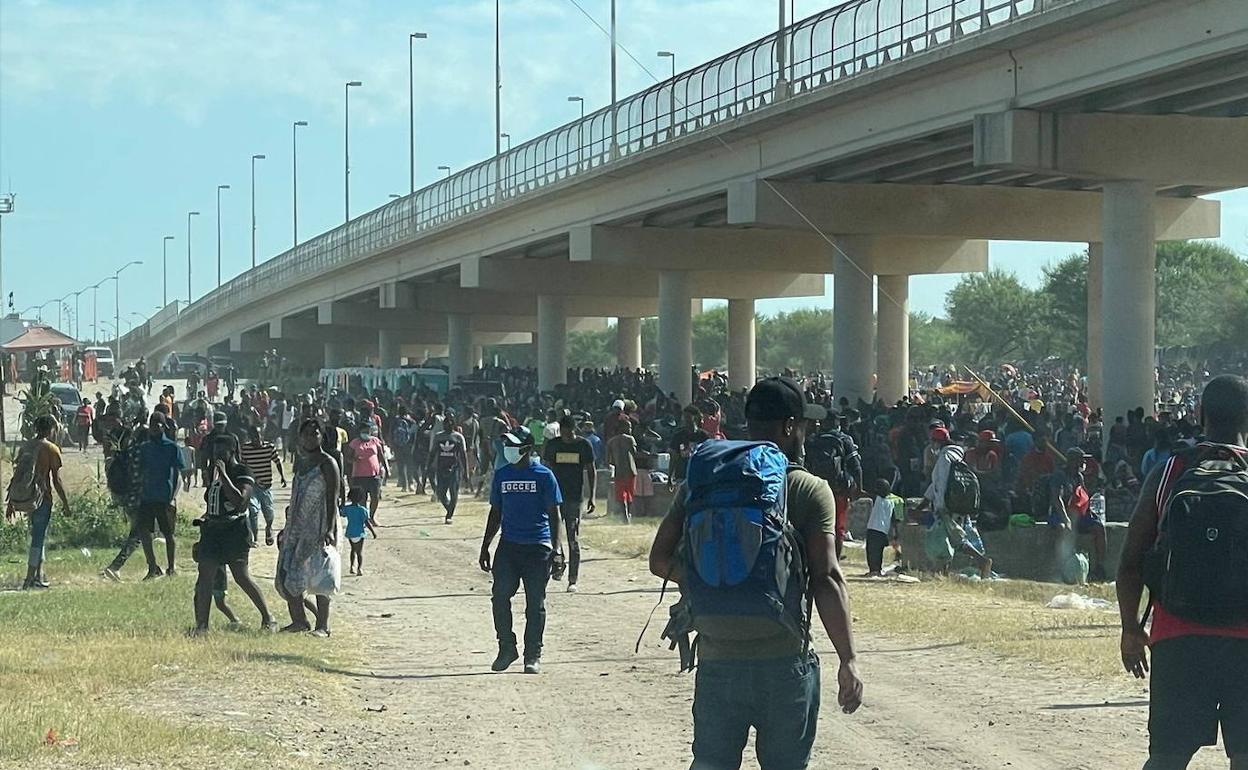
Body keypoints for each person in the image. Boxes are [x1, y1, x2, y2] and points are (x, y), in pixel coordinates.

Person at [648, 377, 862, 769]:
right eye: (802, 424)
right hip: (783, 661)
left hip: (717, 658)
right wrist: (847, 659)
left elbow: (659, 560)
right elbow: (826, 577)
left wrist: (713, 580)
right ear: (788, 427)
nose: (806, 432)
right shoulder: (809, 489)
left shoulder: (705, 482)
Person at [1118, 375, 1248, 769]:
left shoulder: (1169, 472)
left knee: (1167, 759)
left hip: (1178, 636)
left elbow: (1130, 563)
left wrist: (1130, 629)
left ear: (1199, 414)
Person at [479, 426, 565, 675]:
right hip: (509, 546)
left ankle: (533, 654)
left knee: (534, 604)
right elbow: (496, 513)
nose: (508, 450)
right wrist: (485, 546)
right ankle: (507, 647)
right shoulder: (502, 475)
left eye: (514, 446)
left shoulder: (544, 476)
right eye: (507, 445)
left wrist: (557, 549)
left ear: (527, 449)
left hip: (538, 547)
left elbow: (554, 514)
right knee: (500, 596)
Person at [191, 442, 275, 634]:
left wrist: (224, 475)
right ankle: (202, 626)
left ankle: (268, 617)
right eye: (215, 452)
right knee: (205, 578)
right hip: (212, 531)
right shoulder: (214, 473)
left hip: (234, 532)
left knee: (241, 576)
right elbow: (214, 501)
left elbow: (239, 501)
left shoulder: (242, 471)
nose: (218, 455)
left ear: (233, 451)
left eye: (222, 451)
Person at [276, 418, 341, 636]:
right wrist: (288, 525)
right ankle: (299, 621)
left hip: (321, 525)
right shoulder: (301, 462)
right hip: (297, 526)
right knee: (289, 574)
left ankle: (323, 625)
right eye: (306, 434)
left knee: (321, 575)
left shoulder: (328, 463)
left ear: (322, 436)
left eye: (315, 433)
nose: (310, 437)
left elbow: (333, 498)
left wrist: (329, 529)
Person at [5, 415, 72, 589]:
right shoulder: (51, 449)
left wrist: (11, 501)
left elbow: (17, 475)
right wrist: (65, 503)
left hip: (28, 499)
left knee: (38, 536)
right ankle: (29, 578)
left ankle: (37, 576)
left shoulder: (27, 446)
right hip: (43, 498)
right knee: (38, 538)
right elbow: (56, 480)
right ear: (50, 429)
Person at [921, 427, 993, 578]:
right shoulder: (957, 456)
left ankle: (981, 561)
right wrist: (924, 503)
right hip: (956, 504)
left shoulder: (945, 457)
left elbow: (942, 483)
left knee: (952, 539)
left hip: (946, 506)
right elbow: (935, 484)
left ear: (937, 442)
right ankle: (944, 571)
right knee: (951, 538)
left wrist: (940, 506)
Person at [541, 412, 597, 592]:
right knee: (553, 536)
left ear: (574, 430)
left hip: (574, 498)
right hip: (554, 498)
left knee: (573, 537)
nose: (565, 437)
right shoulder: (553, 445)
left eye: (568, 433)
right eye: (563, 433)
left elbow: (591, 470)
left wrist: (592, 496)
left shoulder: (583, 445)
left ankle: (573, 579)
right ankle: (559, 563)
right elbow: (546, 468)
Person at [135, 411, 185, 579]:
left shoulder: (172, 447)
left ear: (163, 427)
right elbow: (140, 471)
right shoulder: (145, 448)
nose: (155, 428)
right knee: (143, 531)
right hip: (147, 496)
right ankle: (152, 567)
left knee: (169, 534)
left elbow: (178, 473)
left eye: (158, 425)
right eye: (153, 425)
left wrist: (173, 496)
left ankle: (171, 568)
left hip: (165, 496)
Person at [240, 426, 286, 547]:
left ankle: (269, 528)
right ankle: (254, 537)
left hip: (266, 486)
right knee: (253, 510)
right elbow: (242, 466)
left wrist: (282, 477)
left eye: (258, 436)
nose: (256, 439)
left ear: (261, 435)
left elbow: (277, 462)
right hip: (252, 486)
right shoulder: (246, 449)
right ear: (250, 438)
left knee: (269, 512)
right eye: (254, 437)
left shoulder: (269, 448)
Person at [345, 421, 388, 525]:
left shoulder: (375, 441)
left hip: (374, 474)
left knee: (375, 496)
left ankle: (372, 517)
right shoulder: (354, 443)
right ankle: (364, 518)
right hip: (359, 475)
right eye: (364, 431)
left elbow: (381, 456)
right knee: (362, 498)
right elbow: (348, 458)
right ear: (360, 431)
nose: (366, 433)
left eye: (368, 431)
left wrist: (387, 469)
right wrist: (354, 459)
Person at [432, 415, 468, 524]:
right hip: (441, 468)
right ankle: (449, 508)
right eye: (446, 423)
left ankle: (449, 515)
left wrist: (466, 472)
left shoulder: (458, 437)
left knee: (454, 492)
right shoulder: (438, 437)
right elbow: (433, 452)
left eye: (450, 422)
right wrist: (428, 466)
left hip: (454, 468)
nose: (448, 425)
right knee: (440, 493)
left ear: (454, 424)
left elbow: (463, 455)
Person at [865, 478, 905, 577]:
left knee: (872, 551)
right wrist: (895, 533)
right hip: (883, 530)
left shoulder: (877, 498)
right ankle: (876, 569)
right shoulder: (892, 501)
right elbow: (895, 519)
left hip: (873, 528)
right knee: (877, 551)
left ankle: (874, 570)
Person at [340, 486, 377, 576]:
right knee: (359, 552)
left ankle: (352, 566)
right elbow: (366, 522)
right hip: (360, 533)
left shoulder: (347, 509)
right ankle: (359, 568)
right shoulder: (363, 510)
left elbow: (342, 513)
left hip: (350, 532)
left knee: (352, 550)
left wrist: (342, 504)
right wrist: (373, 532)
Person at [606, 419, 638, 523]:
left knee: (621, 495)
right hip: (630, 470)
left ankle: (624, 515)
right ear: (622, 428)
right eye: (629, 427)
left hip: (618, 471)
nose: (630, 429)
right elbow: (634, 452)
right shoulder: (630, 439)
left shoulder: (611, 441)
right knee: (630, 493)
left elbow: (608, 459)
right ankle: (628, 513)